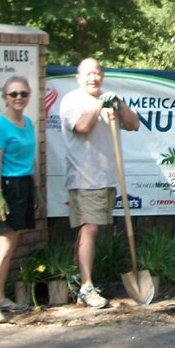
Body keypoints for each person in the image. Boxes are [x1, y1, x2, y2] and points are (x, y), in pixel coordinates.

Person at [59, 57, 140, 309]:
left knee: (92, 230)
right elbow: (82, 127)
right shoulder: (72, 100)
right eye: (88, 74)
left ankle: (85, 281)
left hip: (106, 178)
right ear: (78, 77)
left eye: (97, 73)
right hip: (84, 177)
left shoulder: (110, 99)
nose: (94, 78)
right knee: (89, 229)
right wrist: (98, 106)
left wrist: (119, 105)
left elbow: (134, 124)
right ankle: (86, 287)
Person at [0, 76, 38, 324]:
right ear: (5, 97)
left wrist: (35, 189)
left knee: (11, 246)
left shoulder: (28, 124)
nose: (18, 98)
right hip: (3, 186)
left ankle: (2, 297)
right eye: (13, 94)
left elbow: (30, 160)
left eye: (23, 94)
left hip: (23, 185)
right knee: (2, 247)